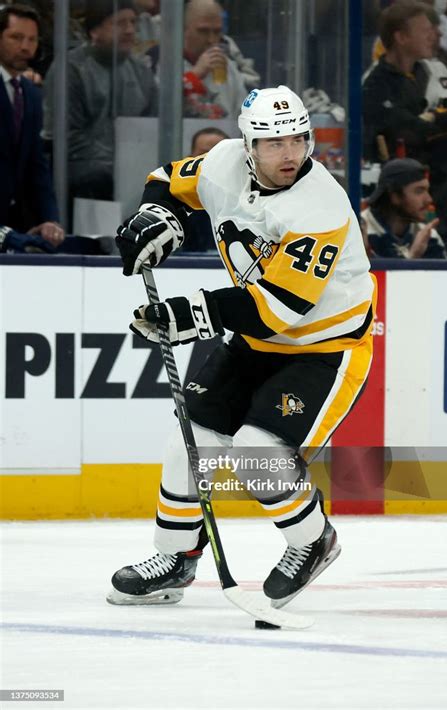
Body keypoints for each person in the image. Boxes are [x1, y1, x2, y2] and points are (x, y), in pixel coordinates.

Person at [107, 86, 377, 608]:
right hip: (255, 341)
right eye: (274, 143)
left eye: (299, 138)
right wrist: (155, 217)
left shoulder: (319, 206)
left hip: (326, 347)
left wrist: (185, 316)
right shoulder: (223, 162)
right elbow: (165, 181)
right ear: (248, 144)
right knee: (192, 441)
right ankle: (177, 558)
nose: (291, 153)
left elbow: (278, 309)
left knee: (257, 453)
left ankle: (312, 541)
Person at [362, 1, 447, 243]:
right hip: (415, 203)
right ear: (401, 37)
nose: (435, 36)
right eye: (426, 30)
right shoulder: (376, 83)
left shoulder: (433, 72)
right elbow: (407, 130)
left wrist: (435, 120)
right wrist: (436, 121)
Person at [42, 0, 158, 204]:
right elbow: (68, 137)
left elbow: (151, 129)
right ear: (94, 31)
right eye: (120, 23)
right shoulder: (71, 68)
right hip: (81, 174)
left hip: (130, 170)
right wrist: (118, 164)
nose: (130, 30)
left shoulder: (142, 73)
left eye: (133, 22)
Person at [0, 4, 64, 247]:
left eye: (32, 39)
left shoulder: (30, 93)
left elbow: (36, 164)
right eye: (16, 38)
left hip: (15, 223)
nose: (25, 47)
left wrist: (50, 220)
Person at [148, 0, 248, 119]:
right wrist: (194, 76)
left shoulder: (227, 66)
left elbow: (244, 114)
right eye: (203, 31)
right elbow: (155, 107)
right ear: (183, 29)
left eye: (217, 32)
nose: (211, 40)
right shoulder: (160, 59)